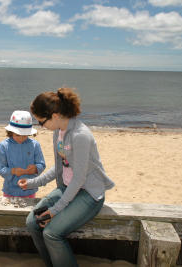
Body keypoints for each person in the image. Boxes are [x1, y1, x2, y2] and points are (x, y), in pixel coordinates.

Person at [18, 88, 115, 267]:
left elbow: (79, 179)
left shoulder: (80, 136)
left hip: (88, 194)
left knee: (51, 233)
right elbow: (60, 167)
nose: (41, 127)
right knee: (33, 222)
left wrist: (55, 210)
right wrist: (33, 182)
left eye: (41, 122)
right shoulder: (59, 132)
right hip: (67, 188)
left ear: (55, 116)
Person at [0, 110, 46, 198]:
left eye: (25, 135)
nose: (22, 138)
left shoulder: (34, 145)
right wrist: (13, 171)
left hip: (30, 189)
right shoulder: (3, 146)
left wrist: (35, 169)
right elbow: (0, 168)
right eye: (18, 135)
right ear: (11, 132)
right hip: (10, 190)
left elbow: (41, 164)